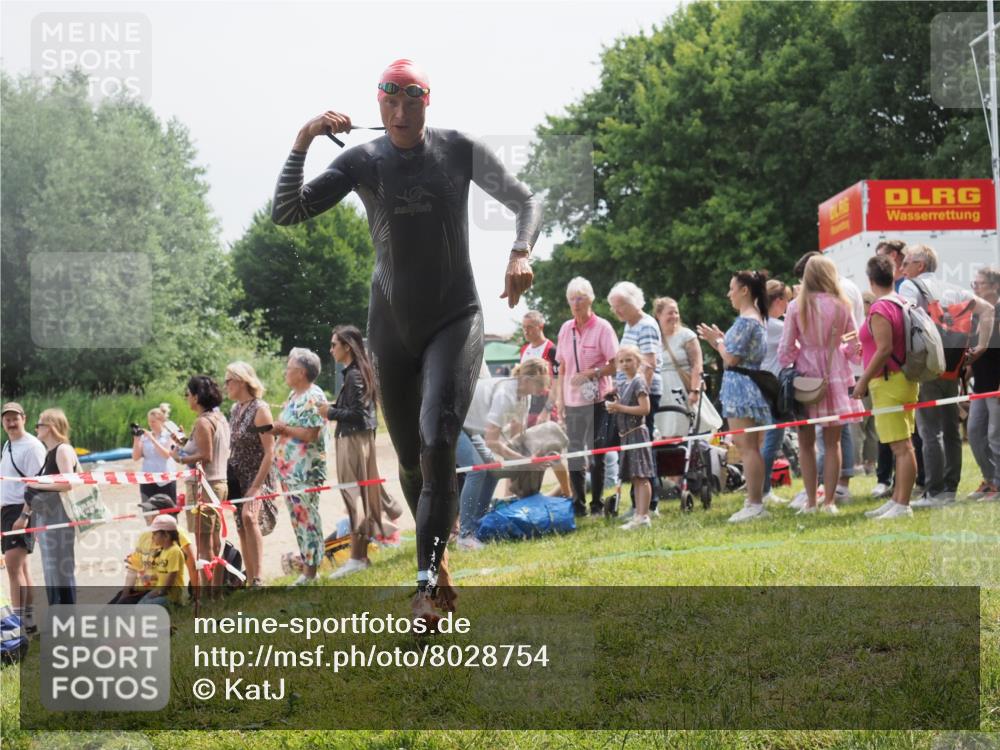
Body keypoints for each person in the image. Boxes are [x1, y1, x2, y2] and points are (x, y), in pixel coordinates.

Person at [272, 59, 541, 621]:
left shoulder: (458, 149)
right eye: (389, 101)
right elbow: (286, 212)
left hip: (455, 317)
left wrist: (520, 251)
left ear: (426, 103)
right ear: (378, 104)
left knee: (437, 440)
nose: (399, 112)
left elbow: (527, 201)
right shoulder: (362, 161)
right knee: (413, 461)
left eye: (410, 101)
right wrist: (304, 138)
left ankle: (424, 587)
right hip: (390, 328)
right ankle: (437, 566)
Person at [898, 244, 995, 505]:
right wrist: (982, 346)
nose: (902, 268)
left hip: (926, 366)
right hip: (953, 367)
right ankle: (949, 489)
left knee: (930, 432)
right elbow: (988, 309)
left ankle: (935, 492)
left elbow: (903, 323)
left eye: (906, 263)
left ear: (920, 265)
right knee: (951, 430)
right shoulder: (953, 289)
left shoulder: (910, 287)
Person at [778, 256, 861, 515]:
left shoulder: (796, 306)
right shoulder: (842, 305)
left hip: (806, 377)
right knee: (833, 443)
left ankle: (812, 502)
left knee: (806, 443)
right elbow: (855, 346)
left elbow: (785, 350)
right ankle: (830, 502)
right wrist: (840, 352)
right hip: (835, 374)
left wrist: (800, 354)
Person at [321, 326, 404, 579]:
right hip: (356, 439)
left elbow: (357, 414)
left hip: (354, 440)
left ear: (347, 346)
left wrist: (329, 412)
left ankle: (358, 558)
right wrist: (333, 407)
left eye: (334, 344)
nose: (331, 349)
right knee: (359, 497)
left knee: (355, 498)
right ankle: (360, 555)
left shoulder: (355, 375)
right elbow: (358, 409)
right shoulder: (356, 373)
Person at [456, 357, 557, 548]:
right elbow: (492, 442)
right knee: (477, 471)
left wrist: (531, 456)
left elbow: (517, 437)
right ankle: (465, 536)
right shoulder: (505, 395)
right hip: (451, 423)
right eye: (541, 384)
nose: (544, 389)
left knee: (493, 470)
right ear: (526, 379)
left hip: (470, 428)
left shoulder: (524, 397)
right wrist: (526, 461)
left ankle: (479, 525)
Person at [696, 271, 772, 523]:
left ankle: (755, 503)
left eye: (732, 288)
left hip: (741, 387)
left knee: (746, 447)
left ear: (744, 290)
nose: (729, 294)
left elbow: (730, 358)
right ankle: (755, 500)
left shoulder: (746, 320)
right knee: (751, 447)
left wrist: (717, 341)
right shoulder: (757, 318)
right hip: (751, 385)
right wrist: (722, 340)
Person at [852, 255, 918, 520]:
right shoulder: (900, 301)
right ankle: (897, 500)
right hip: (902, 379)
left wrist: (862, 380)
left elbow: (884, 349)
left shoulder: (880, 308)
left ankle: (903, 505)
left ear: (870, 280)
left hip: (888, 381)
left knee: (902, 447)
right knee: (901, 445)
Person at [554, 276, 620, 517]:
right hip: (573, 402)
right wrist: (560, 399)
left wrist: (593, 373)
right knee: (574, 455)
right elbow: (562, 367)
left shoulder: (603, 327)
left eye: (580, 298)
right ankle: (578, 505)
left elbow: (616, 365)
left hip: (598, 401)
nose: (576, 303)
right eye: (572, 299)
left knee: (597, 455)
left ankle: (597, 505)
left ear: (590, 299)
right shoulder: (565, 329)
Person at [272, 348, 328, 586]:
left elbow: (311, 434)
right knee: (298, 520)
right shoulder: (294, 395)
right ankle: (307, 568)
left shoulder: (313, 396)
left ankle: (311, 572)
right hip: (288, 471)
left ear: (302, 372)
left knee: (307, 519)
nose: (285, 372)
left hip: (304, 471)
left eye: (289, 368)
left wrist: (283, 429)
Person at [608, 281, 663, 512]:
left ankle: (649, 506)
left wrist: (639, 395)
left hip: (642, 396)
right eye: (613, 307)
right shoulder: (630, 326)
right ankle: (637, 504)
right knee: (632, 451)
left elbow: (648, 365)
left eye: (620, 305)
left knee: (641, 450)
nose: (616, 310)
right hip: (629, 395)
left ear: (634, 303)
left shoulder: (646, 325)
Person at [171, 375, 230, 587]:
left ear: (196, 397)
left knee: (204, 544)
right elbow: (207, 447)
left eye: (188, 394)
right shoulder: (219, 418)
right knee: (215, 541)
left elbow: (206, 455)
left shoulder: (203, 421)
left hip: (203, 486)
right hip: (218, 483)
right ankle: (217, 592)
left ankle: (207, 593)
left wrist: (180, 458)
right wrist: (184, 442)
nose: (187, 398)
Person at [15, 408, 78, 605]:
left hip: (59, 516)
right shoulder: (51, 452)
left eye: (39, 424)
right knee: (52, 569)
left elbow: (69, 483)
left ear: (49, 427)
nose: (36, 429)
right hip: (49, 516)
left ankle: (65, 615)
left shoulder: (63, 450)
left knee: (60, 569)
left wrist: (37, 484)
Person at [224, 362, 276, 588]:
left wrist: (256, 487)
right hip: (238, 477)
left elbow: (270, 451)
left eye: (228, 381)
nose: (225, 385)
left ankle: (258, 578)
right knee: (240, 525)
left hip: (258, 475)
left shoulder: (260, 410)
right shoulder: (235, 409)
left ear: (241, 381)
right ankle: (250, 577)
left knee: (249, 517)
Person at [1, 403, 45, 631]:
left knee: (12, 567)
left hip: (22, 509)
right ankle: (29, 622)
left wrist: (25, 515)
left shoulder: (32, 446)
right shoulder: (8, 444)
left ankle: (18, 624)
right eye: (7, 419)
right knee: (22, 567)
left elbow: (36, 484)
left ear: (24, 419)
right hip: (7, 510)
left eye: (14, 418)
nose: (11, 423)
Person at [112, 493, 198, 604]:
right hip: (140, 589)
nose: (146, 515)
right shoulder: (144, 536)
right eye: (146, 511)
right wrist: (125, 593)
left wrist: (196, 597)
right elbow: (133, 568)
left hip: (157, 591)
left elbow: (192, 566)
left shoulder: (177, 534)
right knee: (110, 609)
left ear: (163, 514)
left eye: (150, 511)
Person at [606, 346, 655, 530]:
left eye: (629, 360)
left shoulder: (638, 382)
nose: (625, 364)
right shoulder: (625, 383)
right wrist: (615, 407)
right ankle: (638, 514)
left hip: (637, 434)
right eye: (621, 361)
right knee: (635, 477)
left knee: (642, 476)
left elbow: (645, 409)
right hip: (627, 435)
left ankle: (643, 516)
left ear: (637, 361)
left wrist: (620, 408)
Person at [966, 266, 1000, 500]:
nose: (976, 288)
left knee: (995, 437)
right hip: (980, 385)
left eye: (980, 284)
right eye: (974, 284)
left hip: (996, 386)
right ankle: (990, 480)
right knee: (975, 433)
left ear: (995, 286)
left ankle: (998, 484)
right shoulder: (977, 314)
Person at [759, 280, 792, 504]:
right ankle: (762, 490)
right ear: (779, 301)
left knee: (766, 440)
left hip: (762, 386)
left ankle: (761, 489)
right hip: (774, 388)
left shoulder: (760, 322)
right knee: (772, 440)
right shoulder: (778, 326)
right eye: (787, 300)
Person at [132, 404, 177, 504]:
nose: (150, 424)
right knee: (149, 509)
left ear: (161, 421)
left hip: (166, 479)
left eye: (153, 421)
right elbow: (135, 457)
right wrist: (136, 439)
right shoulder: (144, 437)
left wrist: (152, 439)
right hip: (147, 479)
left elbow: (166, 455)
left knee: (169, 510)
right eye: (149, 421)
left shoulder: (169, 435)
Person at [519, 311, 558, 426]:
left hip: (545, 408)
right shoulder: (524, 349)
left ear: (541, 327)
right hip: (527, 408)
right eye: (524, 327)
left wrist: (547, 410)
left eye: (530, 327)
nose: (526, 331)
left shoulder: (552, 350)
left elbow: (557, 384)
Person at [140, 514, 187, 607]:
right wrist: (151, 577)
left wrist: (161, 592)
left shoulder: (174, 551)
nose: (152, 537)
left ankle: (177, 606)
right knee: (141, 603)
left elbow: (172, 575)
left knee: (142, 607)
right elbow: (162, 573)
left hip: (171, 595)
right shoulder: (164, 551)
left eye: (155, 534)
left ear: (166, 535)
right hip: (161, 591)